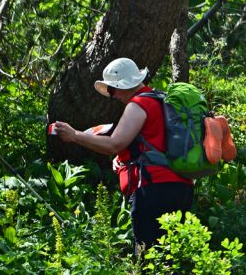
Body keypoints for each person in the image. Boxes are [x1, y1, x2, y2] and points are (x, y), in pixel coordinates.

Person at [51, 58, 194, 251]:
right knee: (169, 256)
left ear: (123, 86)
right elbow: (153, 143)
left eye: (112, 90)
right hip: (181, 187)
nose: (113, 96)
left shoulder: (138, 105)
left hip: (153, 190)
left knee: (148, 256)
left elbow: (114, 144)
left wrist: (75, 135)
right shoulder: (160, 100)